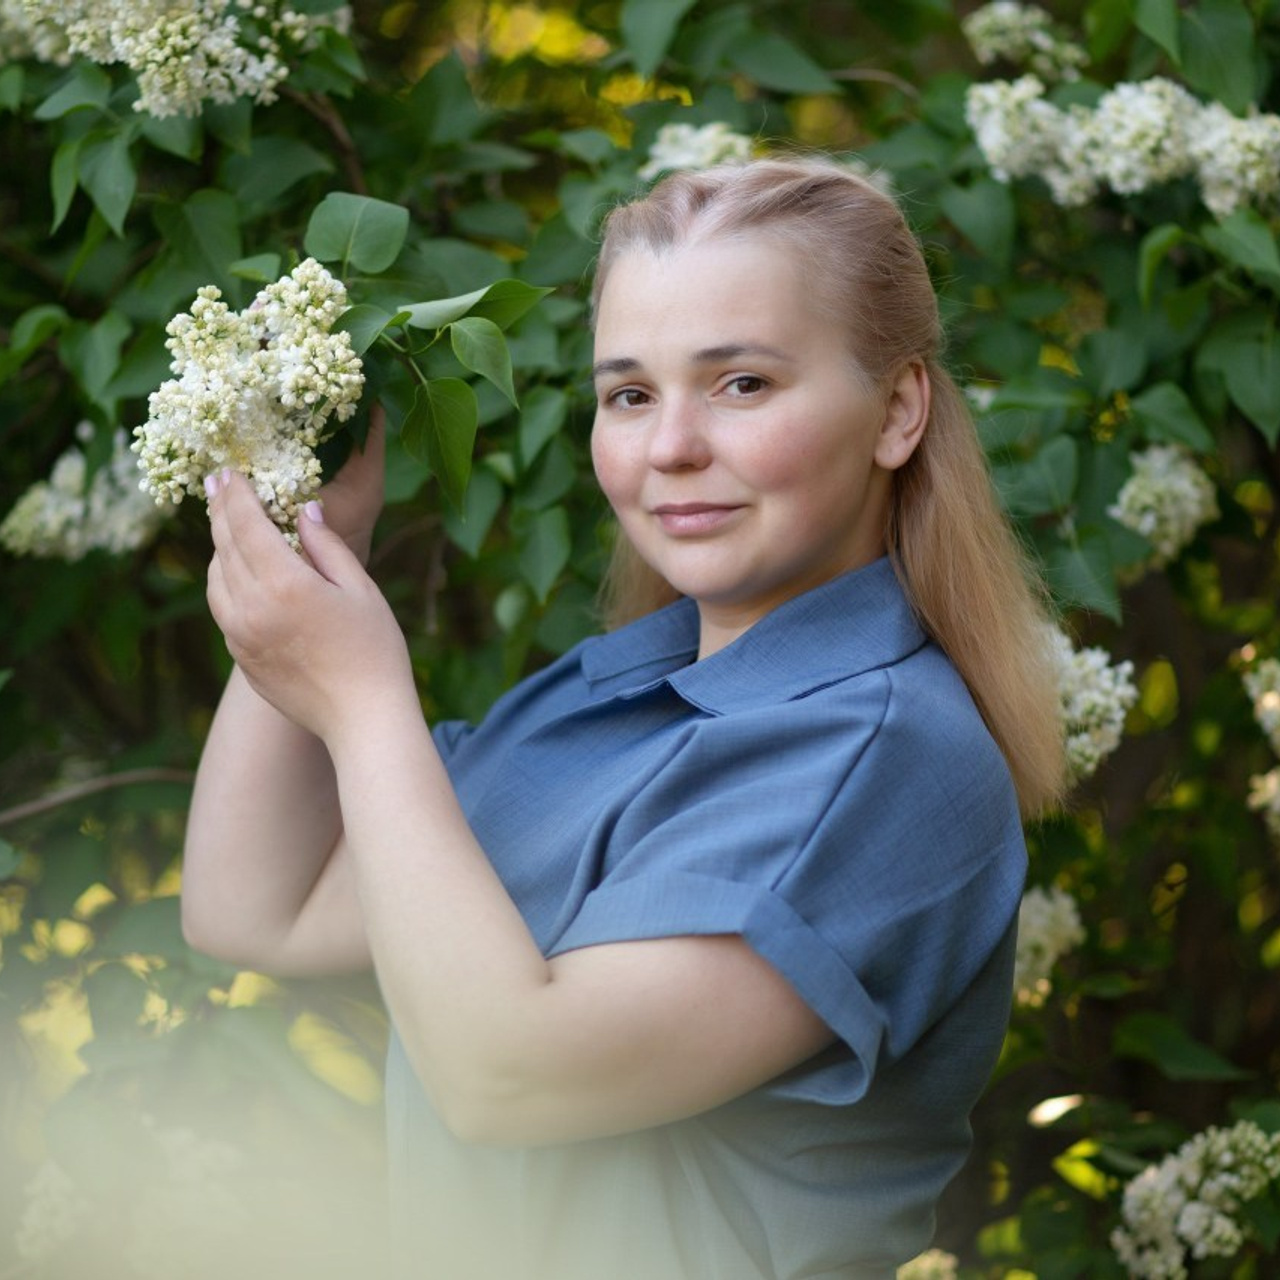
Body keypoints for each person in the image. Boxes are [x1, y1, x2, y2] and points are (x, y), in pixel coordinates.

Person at [182, 155, 1066, 1279]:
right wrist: (314, 543)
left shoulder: (888, 751)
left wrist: (360, 701)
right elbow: (252, 907)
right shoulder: (600, 699)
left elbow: (510, 1073)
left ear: (895, 410)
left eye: (740, 382)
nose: (669, 447)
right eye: (628, 394)